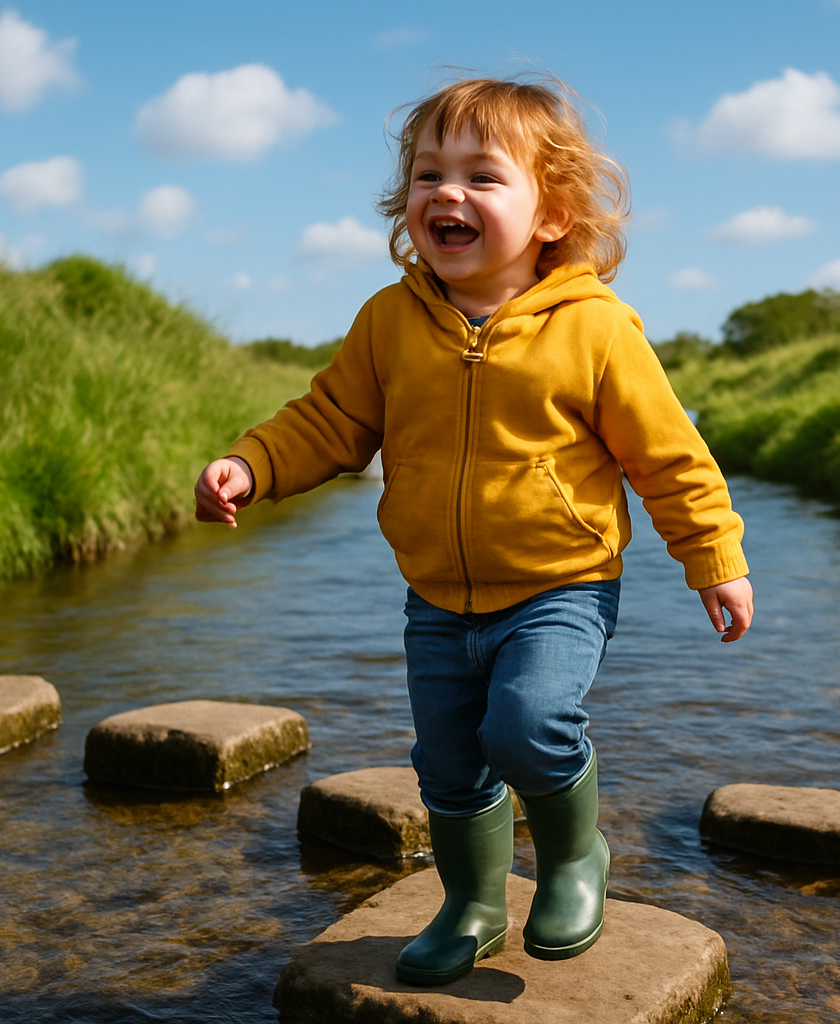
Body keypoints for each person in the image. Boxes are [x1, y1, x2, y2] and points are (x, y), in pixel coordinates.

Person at [194, 76, 753, 985]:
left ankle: (576, 861)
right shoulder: (389, 323)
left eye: (482, 177)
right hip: (437, 598)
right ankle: (474, 904)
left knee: (528, 726)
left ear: (552, 214)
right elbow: (330, 421)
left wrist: (714, 559)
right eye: (427, 174)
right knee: (449, 762)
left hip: (561, 584)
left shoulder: (597, 330)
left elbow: (669, 457)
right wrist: (253, 465)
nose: (447, 194)